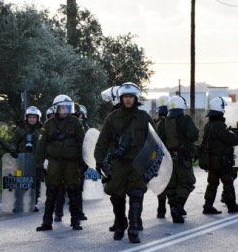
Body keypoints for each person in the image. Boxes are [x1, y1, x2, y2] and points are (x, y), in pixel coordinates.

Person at [94, 82, 156, 243]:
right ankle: (121, 223)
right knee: (116, 196)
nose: (128, 100)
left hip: (137, 163)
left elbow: (155, 141)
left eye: (131, 97)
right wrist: (99, 162)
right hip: (118, 164)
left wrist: (153, 161)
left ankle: (134, 228)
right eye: (125, 97)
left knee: (136, 194)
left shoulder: (144, 118)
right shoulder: (112, 118)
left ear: (136, 98)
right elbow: (102, 141)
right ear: (121, 98)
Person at [35, 95, 85, 231]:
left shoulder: (76, 122)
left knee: (73, 190)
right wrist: (39, 164)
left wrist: (83, 162)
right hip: (54, 161)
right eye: (62, 107)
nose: (65, 110)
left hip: (71, 162)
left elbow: (82, 143)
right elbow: (41, 145)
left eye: (67, 107)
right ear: (56, 108)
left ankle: (75, 221)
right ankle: (47, 222)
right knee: (52, 191)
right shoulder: (49, 124)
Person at [156, 95, 199, 223]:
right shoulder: (186, 119)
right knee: (186, 183)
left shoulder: (162, 123)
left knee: (171, 186)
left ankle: (174, 211)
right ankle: (178, 207)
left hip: (168, 160)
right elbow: (194, 135)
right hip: (182, 158)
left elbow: (158, 141)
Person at [201, 97, 238, 215]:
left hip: (212, 159)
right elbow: (229, 139)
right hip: (221, 160)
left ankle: (208, 205)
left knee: (212, 183)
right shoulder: (220, 125)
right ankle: (232, 205)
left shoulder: (209, 124)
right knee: (228, 182)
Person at [9, 106, 43, 211]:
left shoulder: (42, 130)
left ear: (38, 118)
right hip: (22, 159)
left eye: (34, 117)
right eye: (30, 117)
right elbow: (14, 141)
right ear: (26, 118)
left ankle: (34, 202)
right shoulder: (20, 129)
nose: (32, 119)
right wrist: (13, 150)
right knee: (20, 181)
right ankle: (18, 203)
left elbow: (46, 143)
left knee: (36, 182)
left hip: (37, 160)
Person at [154, 95, 171, 218]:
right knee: (172, 183)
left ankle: (161, 208)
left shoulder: (156, 123)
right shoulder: (171, 122)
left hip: (159, 157)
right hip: (170, 156)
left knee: (162, 183)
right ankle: (174, 207)